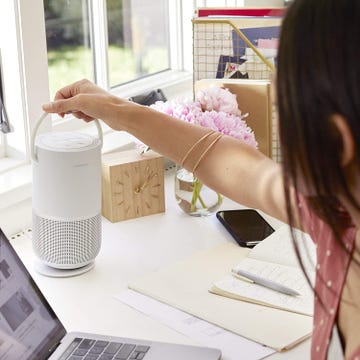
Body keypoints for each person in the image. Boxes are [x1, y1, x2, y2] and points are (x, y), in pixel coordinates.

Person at [42, 0, 360, 358]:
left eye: (284, 105)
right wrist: (118, 110)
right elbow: (235, 165)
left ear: (337, 142)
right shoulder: (338, 211)